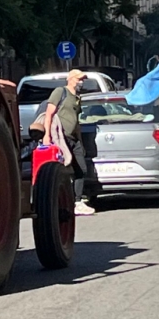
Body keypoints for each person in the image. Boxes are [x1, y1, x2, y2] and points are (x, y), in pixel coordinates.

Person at [42, 69, 95, 216]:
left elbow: (76, 121)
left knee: (81, 169)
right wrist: (46, 135)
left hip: (74, 138)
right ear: (70, 79)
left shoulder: (77, 97)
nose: (81, 82)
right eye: (79, 79)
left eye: (83, 79)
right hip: (61, 137)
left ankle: (77, 201)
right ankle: (63, 201)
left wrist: (81, 142)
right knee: (62, 168)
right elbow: (49, 114)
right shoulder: (60, 92)